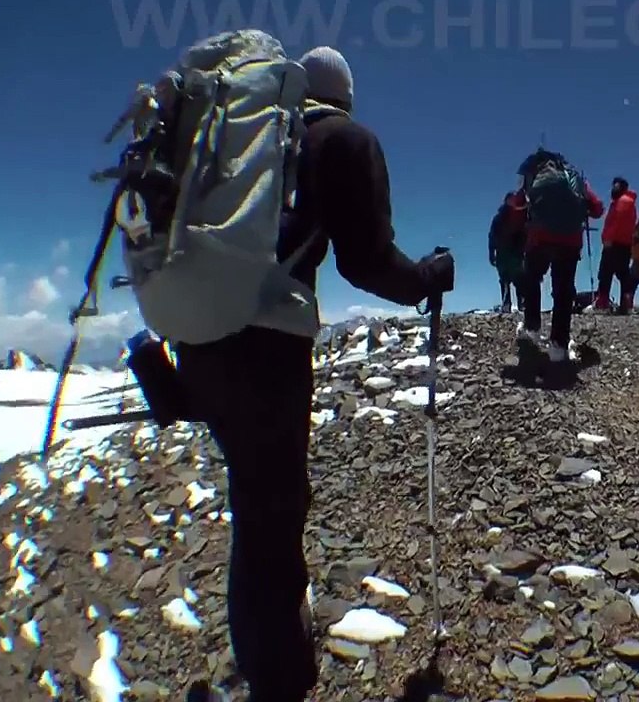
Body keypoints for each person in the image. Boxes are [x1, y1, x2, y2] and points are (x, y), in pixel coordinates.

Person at [176, 46, 454, 701]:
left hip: (194, 335)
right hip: (266, 344)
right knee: (273, 513)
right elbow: (366, 260)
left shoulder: (244, 140)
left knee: (255, 505)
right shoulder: (341, 139)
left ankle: (269, 666)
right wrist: (426, 278)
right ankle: (282, 686)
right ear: (346, 96)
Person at [515, 148, 605, 361]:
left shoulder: (536, 175)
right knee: (563, 292)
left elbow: (517, 203)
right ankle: (558, 347)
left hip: (540, 239)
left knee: (532, 279)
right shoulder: (575, 179)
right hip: (570, 242)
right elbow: (598, 209)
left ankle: (532, 328)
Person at [592, 176, 637, 313]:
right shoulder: (628, 202)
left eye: (616, 186)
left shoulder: (622, 202)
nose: (613, 188)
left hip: (614, 244)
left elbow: (615, 223)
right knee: (623, 274)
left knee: (606, 274)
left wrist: (607, 240)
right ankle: (626, 304)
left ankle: (602, 303)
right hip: (624, 244)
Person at [489, 191, 527, 311]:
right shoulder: (499, 218)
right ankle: (508, 305)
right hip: (504, 253)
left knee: (518, 279)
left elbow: (525, 234)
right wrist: (491, 252)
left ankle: (521, 305)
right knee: (506, 280)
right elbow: (492, 236)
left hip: (516, 253)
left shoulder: (520, 215)